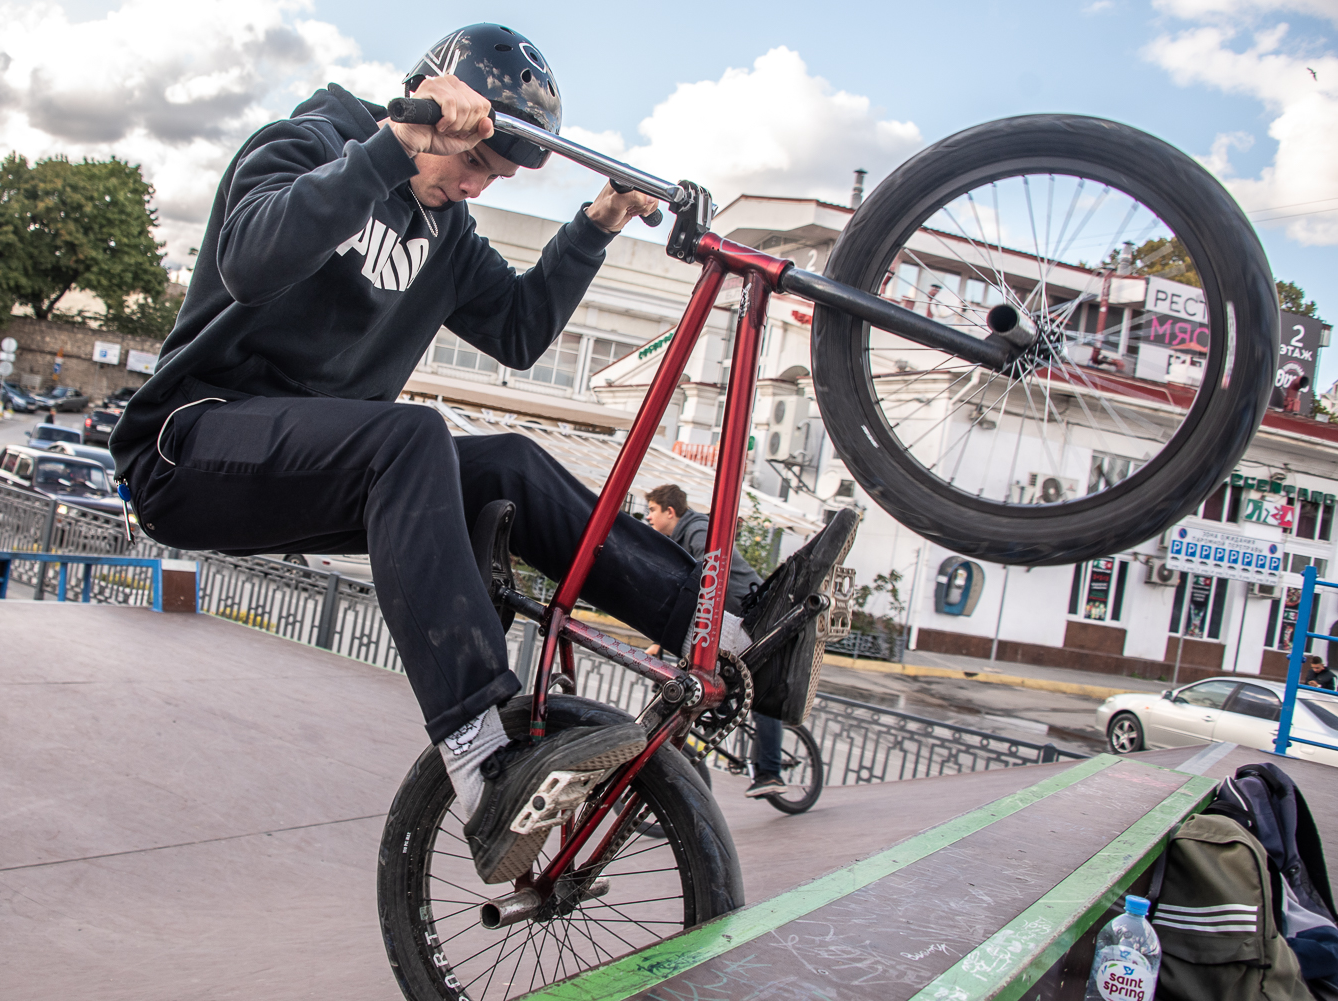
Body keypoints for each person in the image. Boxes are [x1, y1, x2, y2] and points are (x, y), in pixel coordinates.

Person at [109, 23, 852, 886]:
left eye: (491, 178)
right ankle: (482, 756)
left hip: (320, 468)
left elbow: (520, 329)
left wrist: (597, 224)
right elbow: (248, 260)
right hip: (189, 445)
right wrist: (389, 148)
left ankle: (734, 626)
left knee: (508, 465)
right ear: (428, 107)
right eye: (469, 162)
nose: (471, 186)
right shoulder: (310, 143)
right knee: (409, 436)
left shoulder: (446, 234)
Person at [643, 483, 803, 798]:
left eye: (652, 510)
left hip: (756, 617)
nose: (648, 517)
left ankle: (770, 773)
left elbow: (707, 578)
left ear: (670, 512)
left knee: (762, 692)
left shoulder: (697, 531)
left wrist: (660, 643)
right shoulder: (682, 537)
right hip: (733, 622)